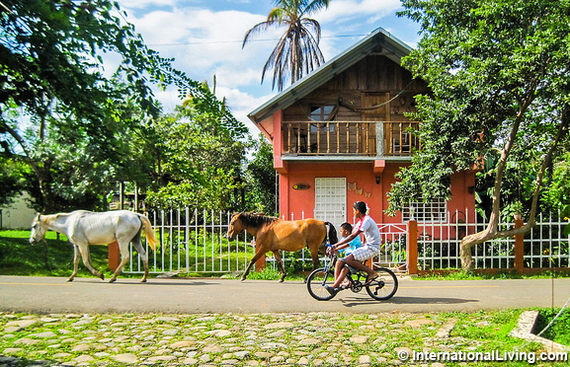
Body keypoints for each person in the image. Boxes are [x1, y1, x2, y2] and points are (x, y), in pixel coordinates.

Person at [326, 201, 381, 295]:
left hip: (373, 247)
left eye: (354, 210)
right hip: (368, 246)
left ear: (358, 211)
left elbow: (352, 237)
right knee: (341, 261)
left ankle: (371, 272)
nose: (353, 212)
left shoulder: (366, 221)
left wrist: (336, 245)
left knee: (348, 259)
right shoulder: (361, 221)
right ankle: (336, 286)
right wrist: (336, 247)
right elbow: (350, 237)